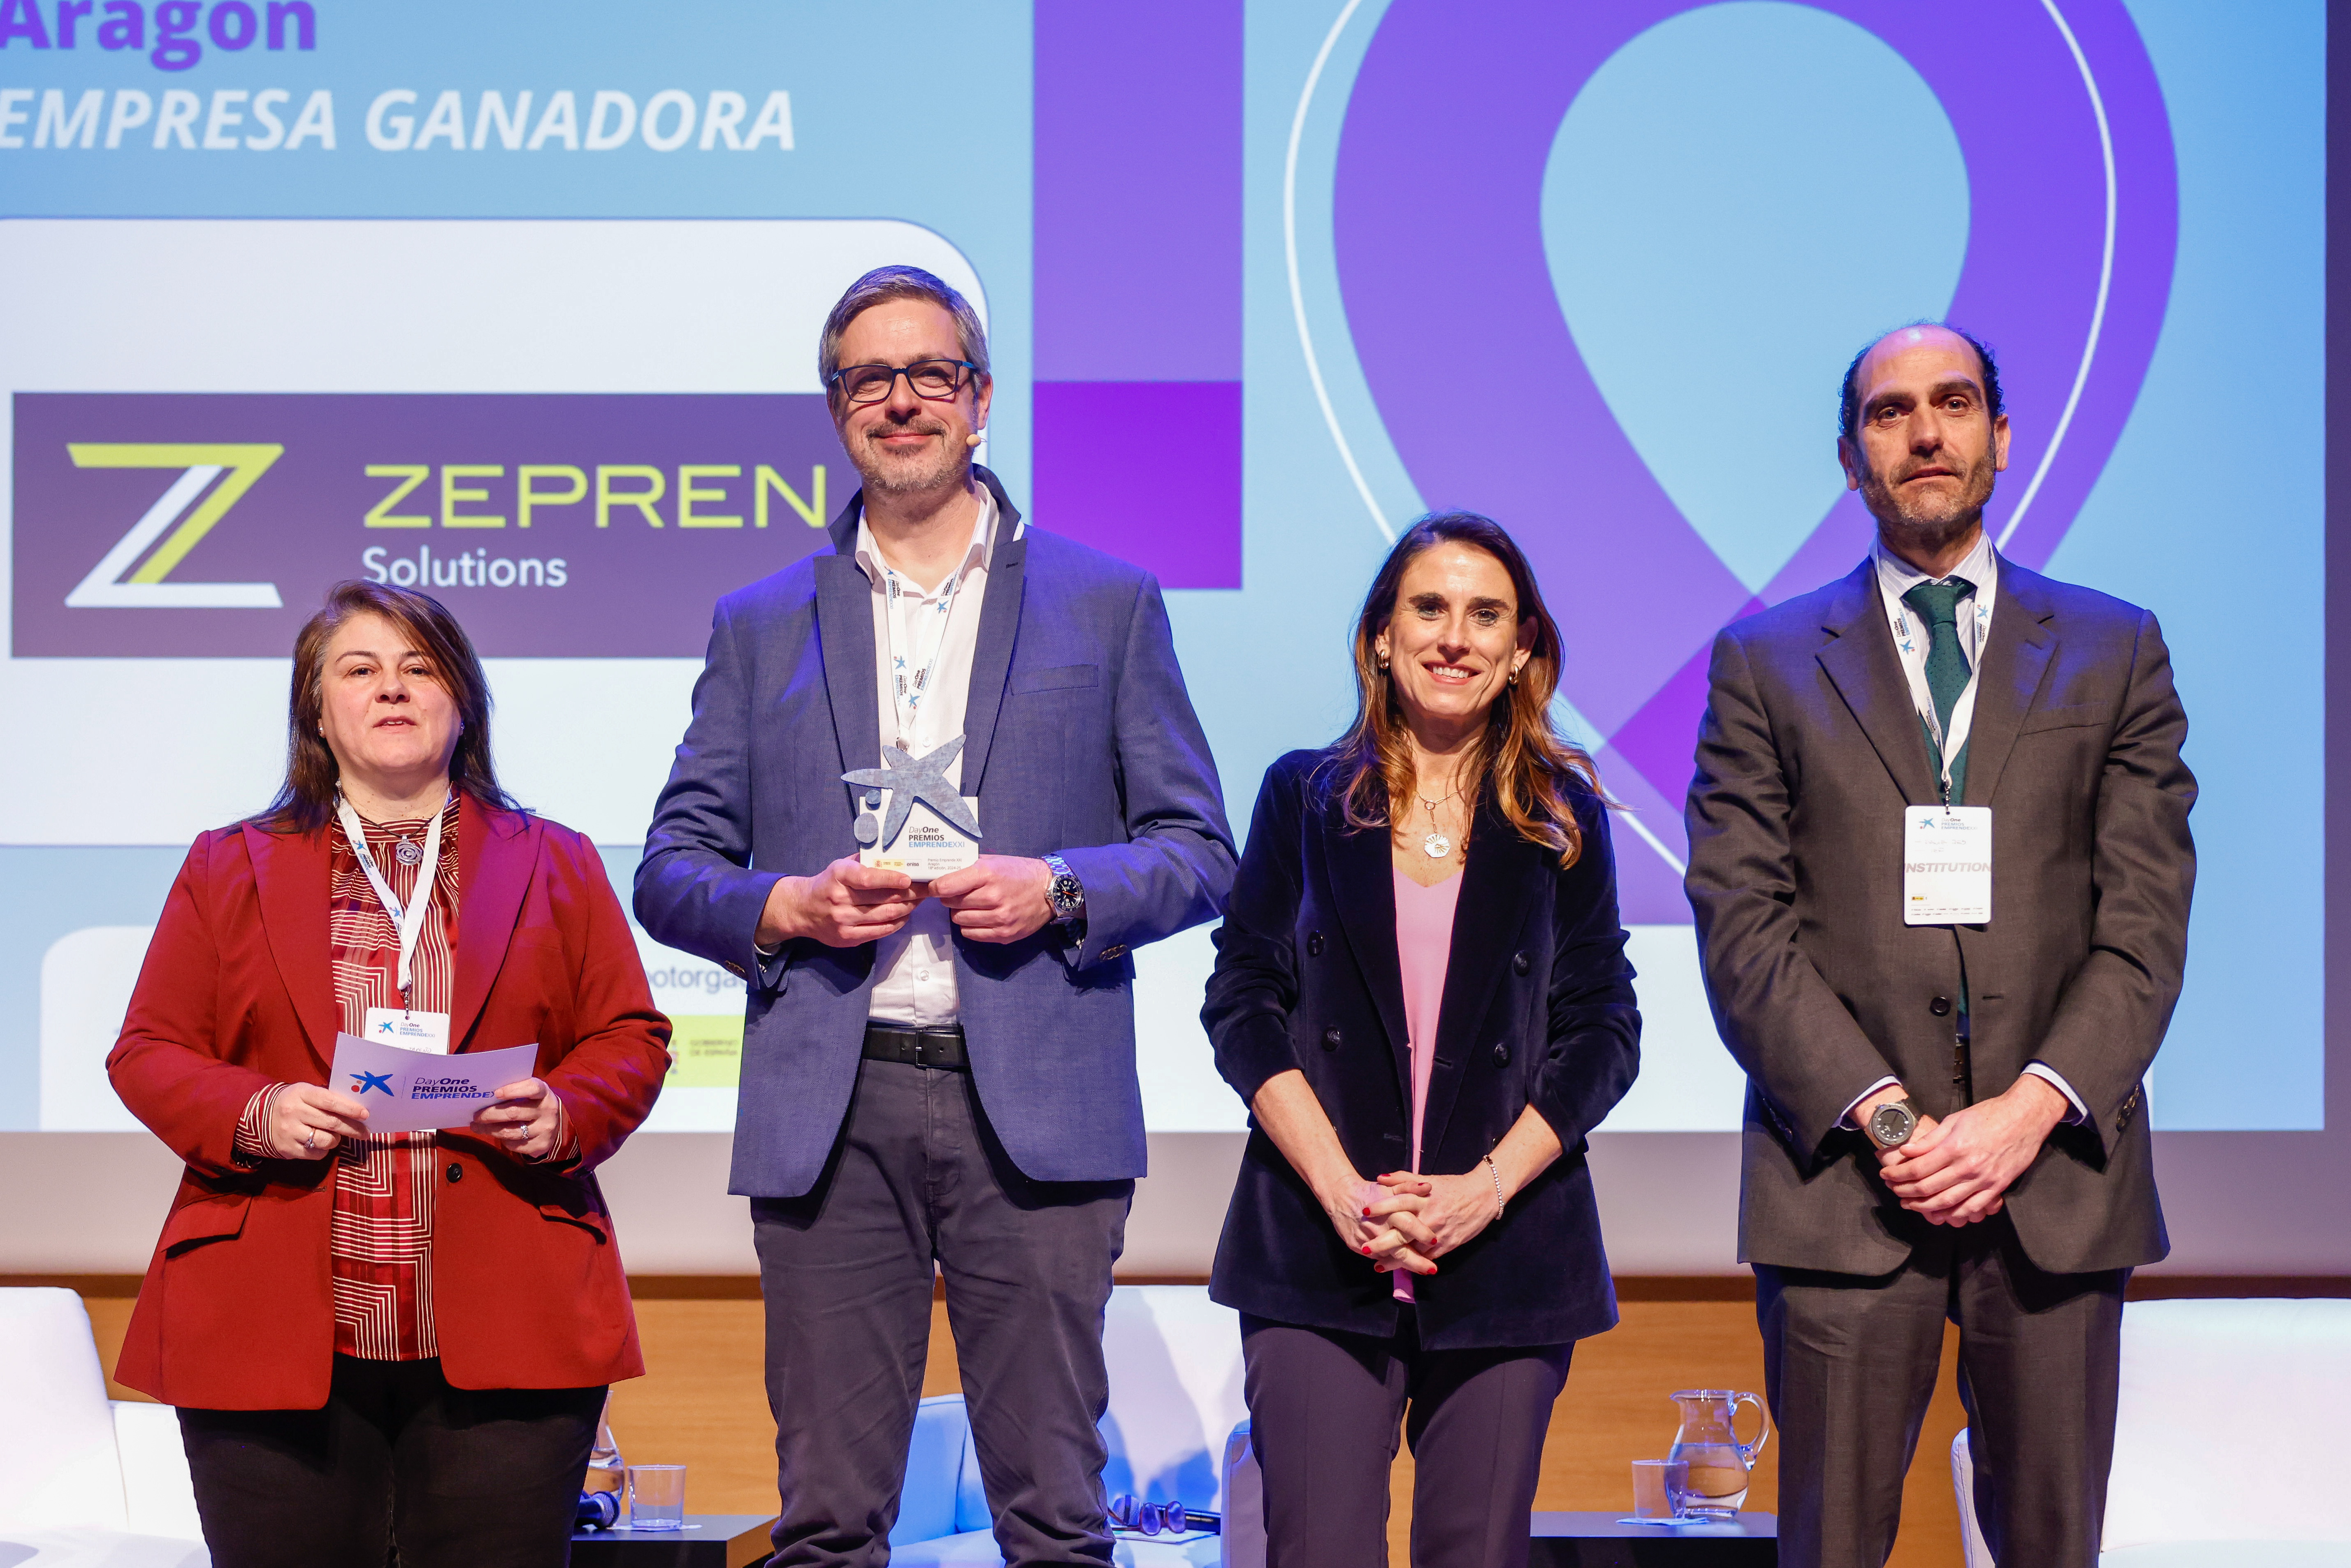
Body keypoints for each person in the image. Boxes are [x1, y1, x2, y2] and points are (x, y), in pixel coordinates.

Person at [635, 264, 1235, 1568]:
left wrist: (1060, 888)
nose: (900, 401)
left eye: (929, 375)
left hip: (1035, 1108)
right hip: (830, 1114)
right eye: (869, 379)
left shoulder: (1105, 601)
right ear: (835, 408)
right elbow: (672, 864)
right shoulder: (759, 625)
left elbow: (1198, 850)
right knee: (826, 1522)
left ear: (979, 401)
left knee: (1057, 1522)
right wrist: (785, 903)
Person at [1683, 324, 2196, 1568]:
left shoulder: (2112, 647)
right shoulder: (1762, 663)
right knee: (1831, 1545)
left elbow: (2142, 926)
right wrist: (1896, 1125)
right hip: (1848, 1189)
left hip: (2057, 1181)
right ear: (1850, 460)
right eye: (1889, 412)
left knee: (2050, 1546)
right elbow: (1742, 925)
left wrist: (2023, 1112)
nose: (1924, 432)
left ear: (2000, 438)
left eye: (1953, 403)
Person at [107, 580, 672, 1568]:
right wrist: (258, 1108)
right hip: (269, 1319)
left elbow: (630, 1034)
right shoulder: (227, 865)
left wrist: (566, 1108)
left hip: (509, 1319)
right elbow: (147, 1051)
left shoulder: (558, 862)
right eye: (359, 670)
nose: (393, 689)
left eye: (420, 668)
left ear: (463, 700)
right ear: (317, 711)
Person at [1202, 513, 1641, 1568]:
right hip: (1316, 1248)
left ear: (1520, 647)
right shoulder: (1300, 796)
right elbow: (1241, 1002)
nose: (1454, 636)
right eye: (1428, 609)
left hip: (1507, 1253)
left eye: (1485, 614)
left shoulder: (1560, 816)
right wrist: (1346, 1191)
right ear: (1380, 641)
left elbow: (1603, 1030)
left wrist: (1480, 1191)